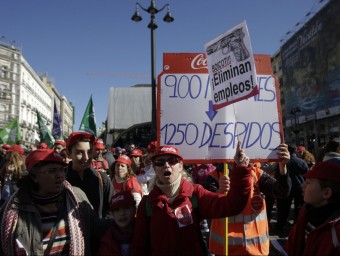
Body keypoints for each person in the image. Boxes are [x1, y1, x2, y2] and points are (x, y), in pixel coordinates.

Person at [131, 145, 252, 256]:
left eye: (172, 161)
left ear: (180, 166)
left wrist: (241, 170)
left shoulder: (195, 194)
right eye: (160, 162)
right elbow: (139, 245)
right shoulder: (147, 203)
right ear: (155, 168)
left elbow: (232, 205)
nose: (166, 165)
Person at [0, 149, 109, 255]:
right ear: (34, 176)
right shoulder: (13, 208)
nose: (59, 175)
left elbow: (96, 229)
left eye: (62, 170)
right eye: (52, 171)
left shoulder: (77, 197)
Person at [207, 142, 291, 256]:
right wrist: (219, 192)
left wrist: (282, 167)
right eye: (236, 148)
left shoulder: (256, 173)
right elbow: (207, 207)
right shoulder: (215, 176)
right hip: (227, 250)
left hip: (256, 249)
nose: (240, 152)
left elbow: (282, 191)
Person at [286, 162, 340, 255]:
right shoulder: (306, 212)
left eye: (308, 182)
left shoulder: (337, 234)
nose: (302, 186)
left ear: (326, 193)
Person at [66, 132, 114, 219]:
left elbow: (111, 210)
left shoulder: (102, 179)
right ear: (69, 153)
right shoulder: (60, 180)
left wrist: (101, 226)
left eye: (89, 152)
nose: (86, 157)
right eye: (79, 152)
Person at [275, 144, 309, 235]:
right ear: (295, 151)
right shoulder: (301, 161)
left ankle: (280, 226)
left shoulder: (281, 162)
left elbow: (277, 174)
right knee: (298, 209)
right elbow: (307, 173)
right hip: (299, 188)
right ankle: (296, 227)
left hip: (286, 188)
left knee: (283, 209)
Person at [98, 191, 136, 256]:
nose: (122, 213)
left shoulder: (144, 233)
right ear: (112, 214)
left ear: (135, 209)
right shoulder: (106, 242)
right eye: (117, 210)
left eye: (126, 208)